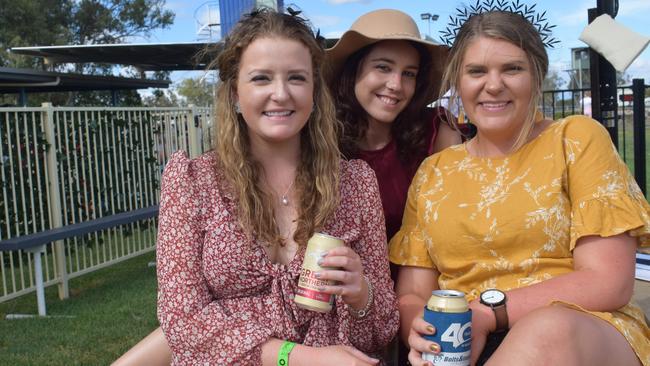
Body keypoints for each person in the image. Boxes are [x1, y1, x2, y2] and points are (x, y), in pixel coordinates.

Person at [113, 8, 398, 366]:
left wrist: (362, 294)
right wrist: (296, 357)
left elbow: (382, 329)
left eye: (296, 78)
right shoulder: (193, 182)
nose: (280, 94)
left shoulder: (355, 183)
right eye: (261, 78)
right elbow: (183, 324)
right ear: (234, 92)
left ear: (314, 91)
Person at [389, 9, 650, 366]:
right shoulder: (434, 172)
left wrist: (487, 313)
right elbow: (413, 293)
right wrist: (418, 328)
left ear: (537, 76)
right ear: (458, 82)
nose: (493, 85)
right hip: (459, 342)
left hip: (582, 329)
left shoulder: (575, 139)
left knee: (547, 332)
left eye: (512, 69)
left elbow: (608, 280)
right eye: (476, 71)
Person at [326, 9, 461, 242]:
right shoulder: (321, 137)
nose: (396, 85)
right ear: (353, 71)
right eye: (383, 67)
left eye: (409, 73)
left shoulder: (437, 130)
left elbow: (456, 218)